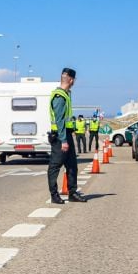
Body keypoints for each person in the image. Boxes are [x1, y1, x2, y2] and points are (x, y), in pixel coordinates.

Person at [47, 68, 86, 203]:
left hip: (66, 135)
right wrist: (63, 140)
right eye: (74, 80)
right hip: (59, 137)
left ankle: (72, 193)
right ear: (71, 80)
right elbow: (59, 120)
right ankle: (54, 195)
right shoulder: (60, 96)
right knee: (55, 165)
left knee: (72, 165)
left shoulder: (66, 94)